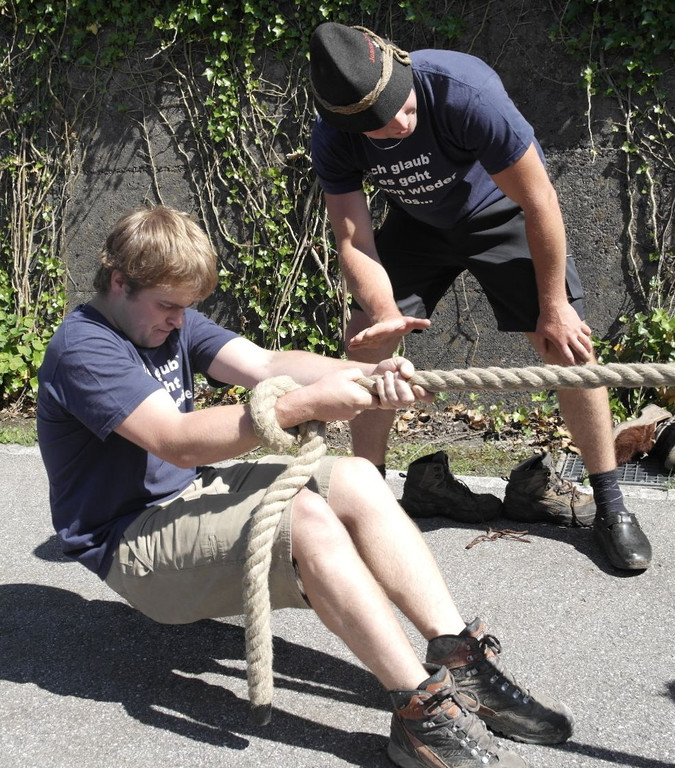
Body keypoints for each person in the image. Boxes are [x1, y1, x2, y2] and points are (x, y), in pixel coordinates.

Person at [37, 205, 573, 768]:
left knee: (357, 479)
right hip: (132, 542)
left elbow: (266, 364)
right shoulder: (85, 349)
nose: (177, 320)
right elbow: (177, 441)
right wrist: (307, 404)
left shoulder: (169, 318)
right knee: (308, 521)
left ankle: (460, 658)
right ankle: (420, 711)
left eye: (184, 308)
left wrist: (365, 374)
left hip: (189, 498)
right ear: (118, 282)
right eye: (168, 306)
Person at [308, 22, 652, 571]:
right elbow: (353, 239)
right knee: (366, 344)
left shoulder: (463, 90)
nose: (399, 124)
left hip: (502, 211)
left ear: (401, 67)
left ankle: (611, 504)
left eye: (403, 107)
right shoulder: (332, 138)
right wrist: (384, 311)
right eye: (380, 125)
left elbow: (539, 199)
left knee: (570, 348)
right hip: (418, 226)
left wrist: (554, 306)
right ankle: (366, 503)